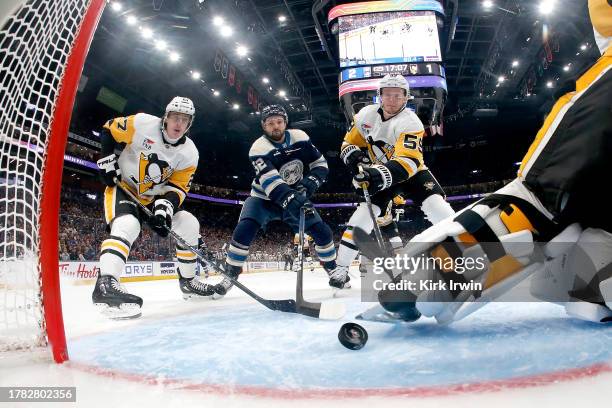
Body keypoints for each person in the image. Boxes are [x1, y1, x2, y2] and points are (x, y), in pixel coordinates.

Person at [382, 0, 612, 324]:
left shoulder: (406, 123)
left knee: (544, 201)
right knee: (546, 199)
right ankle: (543, 234)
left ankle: (578, 248)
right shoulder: (367, 119)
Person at [327, 74, 455, 288]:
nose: (392, 100)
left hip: (411, 172)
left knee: (437, 207)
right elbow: (348, 143)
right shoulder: (365, 115)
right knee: (361, 218)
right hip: (378, 172)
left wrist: (374, 175)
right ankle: (340, 270)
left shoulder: (411, 122)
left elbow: (408, 162)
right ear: (380, 96)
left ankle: (469, 251)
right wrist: (352, 155)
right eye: (387, 94)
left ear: (406, 97)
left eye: (397, 95)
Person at [92, 96, 214, 319]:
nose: (178, 124)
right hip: (125, 187)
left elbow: (178, 187)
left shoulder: (190, 153)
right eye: (175, 117)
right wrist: (106, 160)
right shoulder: (142, 123)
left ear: (190, 124)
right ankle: (106, 286)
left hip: (154, 198)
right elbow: (109, 129)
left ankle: (188, 282)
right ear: (166, 117)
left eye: (184, 120)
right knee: (127, 224)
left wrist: (165, 208)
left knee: (188, 223)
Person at [213, 104, 339, 298]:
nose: (276, 126)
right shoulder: (259, 148)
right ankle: (230, 274)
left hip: (295, 195)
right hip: (263, 199)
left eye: (279, 122)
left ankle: (332, 270)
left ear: (285, 122)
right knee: (244, 229)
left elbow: (320, 163)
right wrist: (296, 199)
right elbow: (272, 183)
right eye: (270, 123)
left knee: (323, 232)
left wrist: (309, 184)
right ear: (264, 126)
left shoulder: (300, 137)